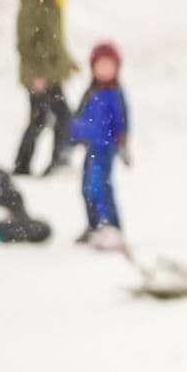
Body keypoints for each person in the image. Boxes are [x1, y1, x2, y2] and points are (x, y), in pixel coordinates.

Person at [13, 0, 77, 176]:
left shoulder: (51, 6)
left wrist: (67, 62)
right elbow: (26, 45)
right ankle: (30, 164)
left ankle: (53, 160)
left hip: (52, 75)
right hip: (39, 77)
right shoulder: (32, 7)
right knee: (47, 118)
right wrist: (36, 75)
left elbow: (54, 42)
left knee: (54, 117)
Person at [70, 42, 130, 246]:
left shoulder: (115, 94)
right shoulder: (91, 92)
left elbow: (122, 121)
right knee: (86, 187)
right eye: (100, 66)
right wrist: (73, 135)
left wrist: (122, 143)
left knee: (100, 186)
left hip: (105, 148)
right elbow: (80, 118)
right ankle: (94, 224)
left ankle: (109, 225)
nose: (104, 71)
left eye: (109, 66)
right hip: (91, 147)